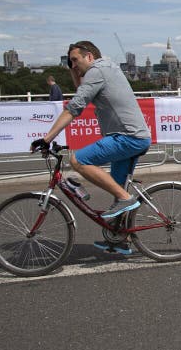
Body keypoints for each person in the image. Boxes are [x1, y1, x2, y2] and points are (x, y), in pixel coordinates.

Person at [30, 41, 152, 254]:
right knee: (117, 188)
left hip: (127, 137)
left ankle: (125, 199)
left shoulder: (98, 71)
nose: (73, 65)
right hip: (132, 136)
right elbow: (82, 90)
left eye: (75, 60)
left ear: (89, 57)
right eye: (70, 62)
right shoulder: (105, 68)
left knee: (79, 160)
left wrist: (47, 138)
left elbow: (74, 107)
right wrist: (73, 69)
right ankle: (120, 239)